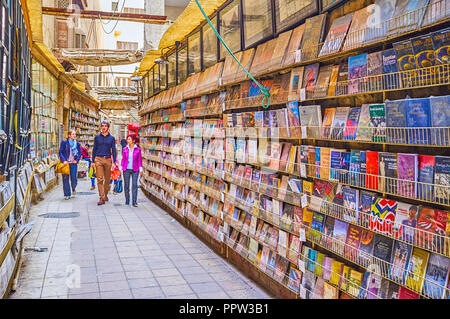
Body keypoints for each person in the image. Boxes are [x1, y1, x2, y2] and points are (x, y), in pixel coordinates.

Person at [92, 121, 117, 206]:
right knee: (99, 179)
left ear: (108, 127)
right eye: (102, 126)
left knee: (107, 180)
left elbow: (113, 150)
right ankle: (101, 197)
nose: (103, 127)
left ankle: (105, 194)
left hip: (108, 160)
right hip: (98, 159)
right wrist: (92, 161)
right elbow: (94, 149)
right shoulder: (97, 137)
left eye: (105, 126)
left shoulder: (112, 138)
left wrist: (114, 162)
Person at [59, 129, 81, 200]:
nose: (74, 135)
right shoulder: (64, 143)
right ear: (69, 135)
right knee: (65, 179)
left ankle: (73, 188)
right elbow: (60, 152)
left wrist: (76, 160)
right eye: (73, 134)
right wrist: (64, 160)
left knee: (74, 178)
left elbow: (79, 153)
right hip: (66, 163)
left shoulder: (77, 144)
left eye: (75, 134)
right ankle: (67, 194)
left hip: (73, 164)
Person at [121, 134, 143, 207]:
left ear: (133, 140)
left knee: (134, 185)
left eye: (129, 139)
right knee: (126, 185)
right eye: (127, 139)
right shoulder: (125, 149)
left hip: (135, 169)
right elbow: (123, 159)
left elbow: (139, 160)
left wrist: (141, 169)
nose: (128, 140)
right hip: (126, 169)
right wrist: (121, 167)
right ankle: (127, 200)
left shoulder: (138, 149)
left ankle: (134, 201)